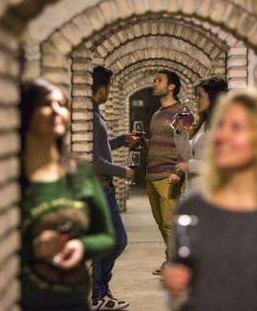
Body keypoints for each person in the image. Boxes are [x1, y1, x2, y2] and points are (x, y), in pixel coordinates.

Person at [164, 90, 257, 311]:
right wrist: (175, 288)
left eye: (236, 128)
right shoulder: (193, 208)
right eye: (221, 126)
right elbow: (184, 296)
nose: (221, 136)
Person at [20, 79, 116, 311]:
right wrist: (33, 248)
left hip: (73, 301)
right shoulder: (9, 177)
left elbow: (107, 237)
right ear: (26, 113)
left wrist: (80, 246)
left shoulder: (79, 174)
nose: (57, 111)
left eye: (62, 104)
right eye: (46, 104)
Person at [91, 65, 139, 310]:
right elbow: (96, 162)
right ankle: (97, 294)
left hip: (102, 188)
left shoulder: (94, 115)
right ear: (101, 89)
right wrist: (124, 171)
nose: (108, 92)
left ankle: (100, 292)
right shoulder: (90, 117)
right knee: (115, 241)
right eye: (108, 87)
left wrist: (121, 140)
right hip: (100, 189)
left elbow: (100, 149)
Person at [147, 70, 183, 275]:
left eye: (159, 80)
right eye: (154, 80)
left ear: (172, 87)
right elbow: (160, 142)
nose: (154, 84)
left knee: (170, 223)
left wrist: (178, 170)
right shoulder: (157, 114)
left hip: (168, 175)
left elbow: (187, 144)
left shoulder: (182, 112)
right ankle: (171, 259)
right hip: (151, 174)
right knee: (161, 223)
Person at [173, 77, 228, 200]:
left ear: (213, 98)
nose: (196, 100)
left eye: (200, 96)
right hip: (195, 191)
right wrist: (179, 131)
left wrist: (190, 166)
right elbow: (187, 154)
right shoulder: (204, 124)